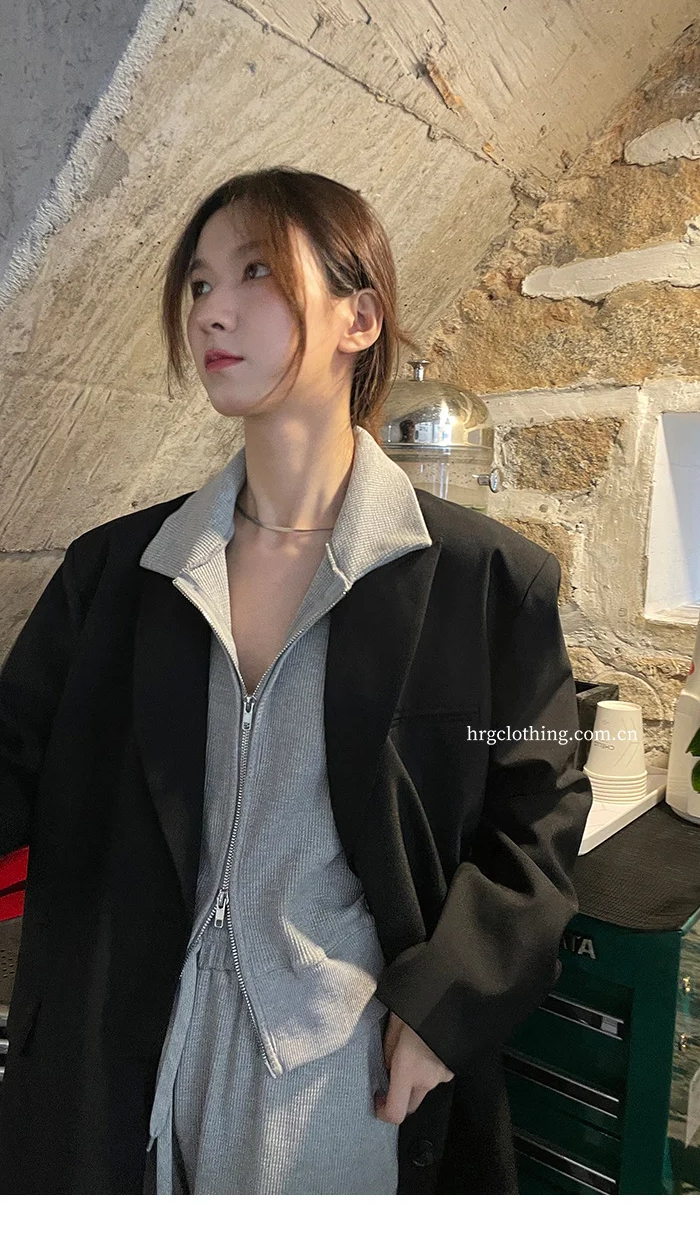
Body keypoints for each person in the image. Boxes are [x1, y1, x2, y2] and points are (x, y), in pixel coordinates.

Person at [0, 166, 592, 1195]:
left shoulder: (486, 583)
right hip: (117, 1053)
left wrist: (445, 1007)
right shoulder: (116, 573)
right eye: (198, 283)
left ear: (360, 318)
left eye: (256, 274)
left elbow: (537, 823)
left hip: (335, 1078)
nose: (210, 310)